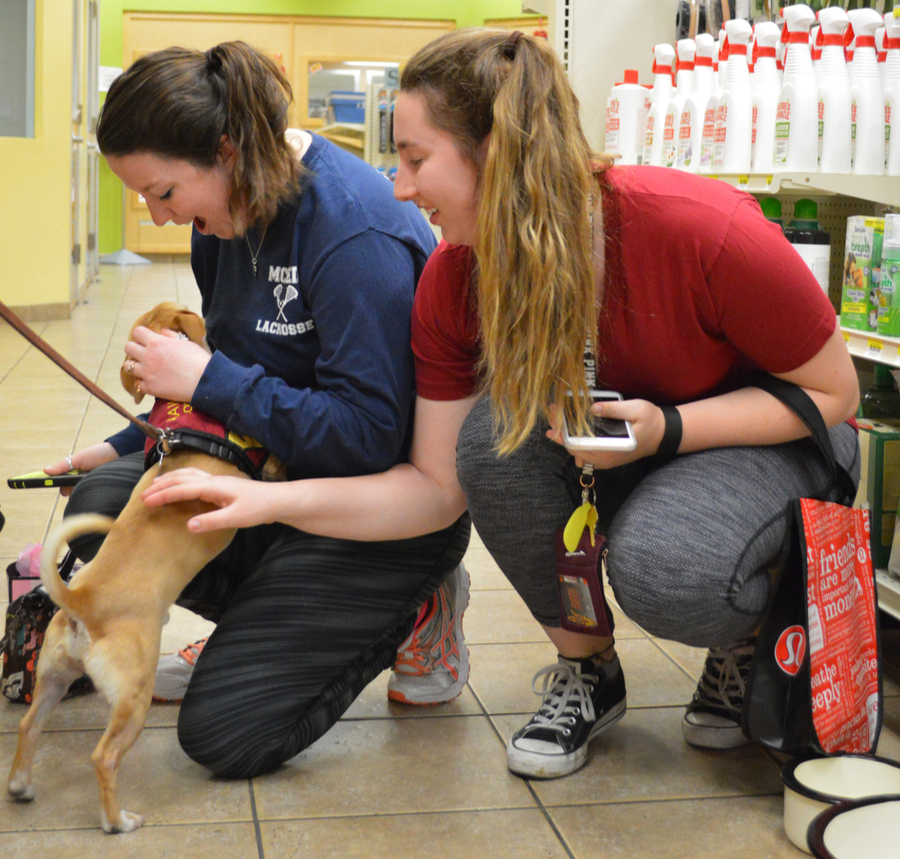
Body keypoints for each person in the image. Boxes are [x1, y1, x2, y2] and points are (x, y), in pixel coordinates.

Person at [140, 29, 861, 779]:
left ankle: (742, 640)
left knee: (667, 568)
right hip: (624, 445)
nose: (398, 187)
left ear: (499, 150)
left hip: (763, 438)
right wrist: (258, 503)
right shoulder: (456, 279)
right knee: (490, 443)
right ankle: (588, 670)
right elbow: (433, 489)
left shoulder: (700, 229)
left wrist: (670, 429)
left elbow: (835, 393)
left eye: (417, 159)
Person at [43, 41, 471, 780]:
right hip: (276, 481)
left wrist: (206, 379)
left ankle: (420, 603)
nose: (159, 215)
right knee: (108, 497)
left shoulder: (352, 231)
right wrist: (123, 442)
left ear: (228, 152)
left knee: (226, 736)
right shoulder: (224, 226)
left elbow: (370, 438)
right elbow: (248, 379)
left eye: (166, 192)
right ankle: (259, 618)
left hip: (376, 506)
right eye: (143, 197)